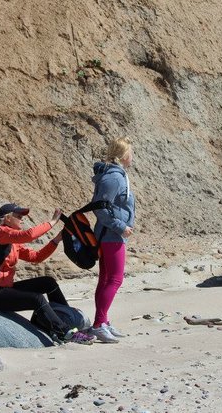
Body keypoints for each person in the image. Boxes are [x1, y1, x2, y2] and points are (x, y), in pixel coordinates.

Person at [0, 203, 94, 345]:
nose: (22, 219)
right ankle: (66, 333)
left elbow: (36, 257)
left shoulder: (13, 243)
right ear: (7, 218)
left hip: (4, 289)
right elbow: (29, 235)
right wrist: (53, 222)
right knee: (36, 299)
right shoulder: (1, 233)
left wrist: (56, 240)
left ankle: (69, 319)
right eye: (18, 216)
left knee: (48, 282)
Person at [88, 136, 135, 343]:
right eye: (131, 152)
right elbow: (99, 208)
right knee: (115, 279)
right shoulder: (114, 178)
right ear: (125, 155)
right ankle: (99, 324)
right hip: (112, 236)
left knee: (106, 279)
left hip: (111, 235)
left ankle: (103, 321)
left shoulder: (117, 175)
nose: (132, 156)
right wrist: (121, 226)